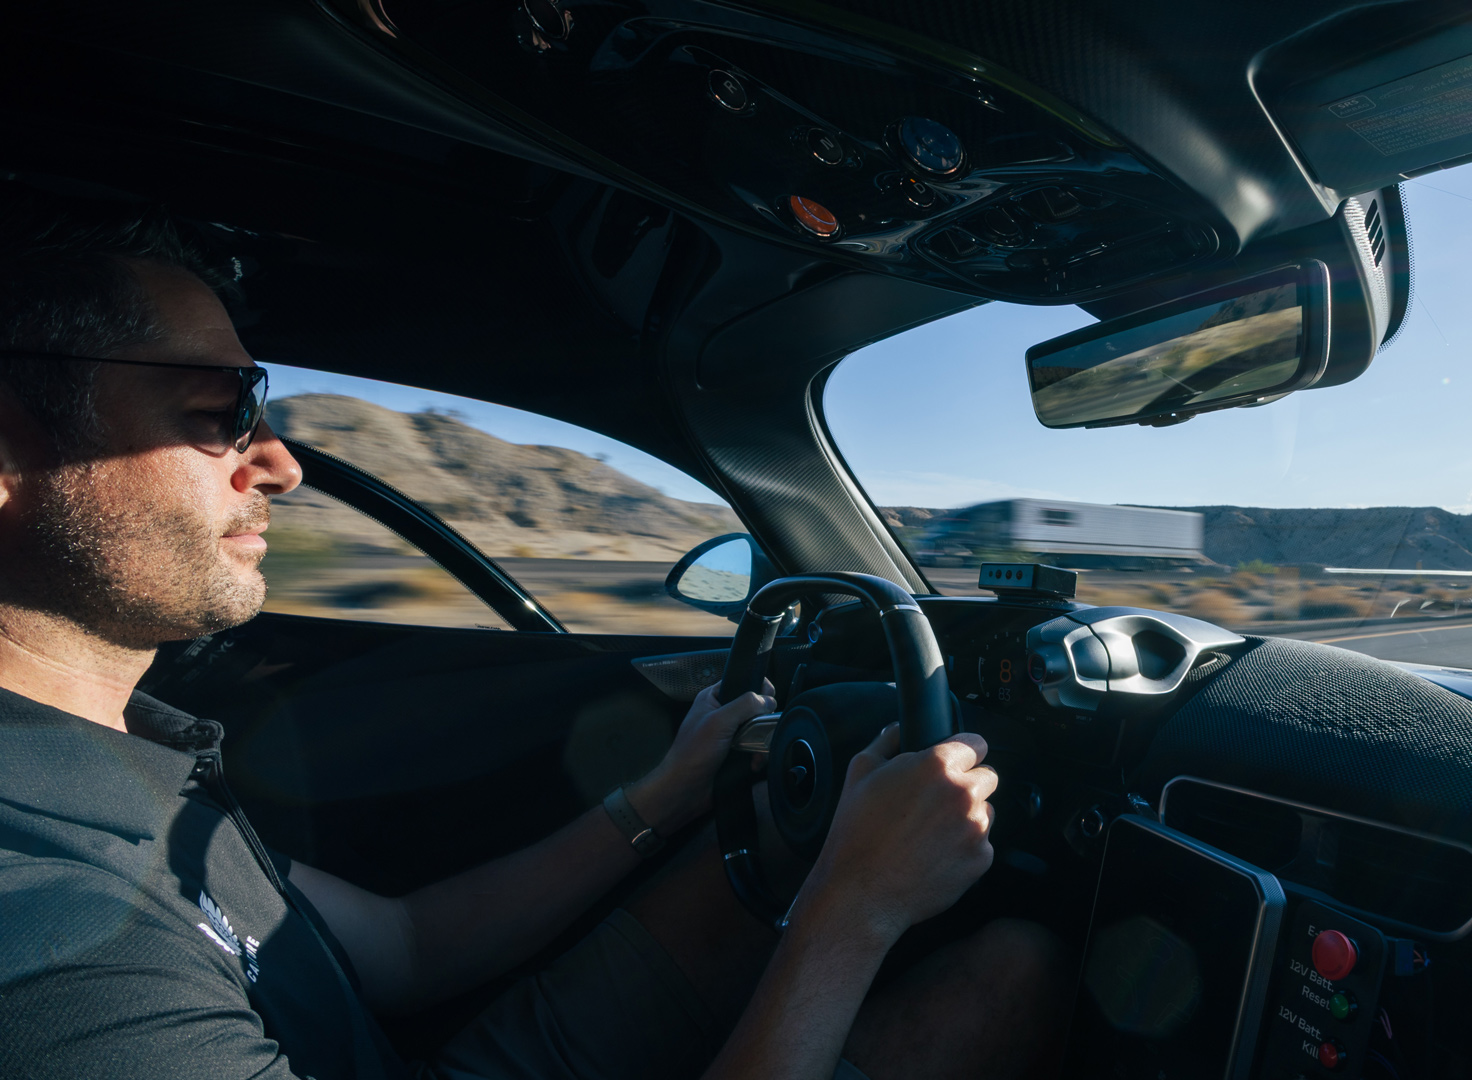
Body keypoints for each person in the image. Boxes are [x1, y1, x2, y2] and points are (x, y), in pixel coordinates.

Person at [0, 194, 1065, 1080]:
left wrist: (668, 790)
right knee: (1004, 981)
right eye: (214, 411)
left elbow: (404, 948)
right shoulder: (46, 943)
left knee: (963, 936)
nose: (281, 465)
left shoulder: (117, 748)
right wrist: (855, 915)